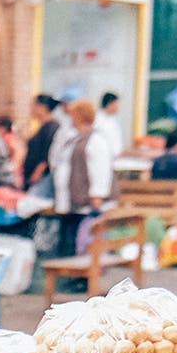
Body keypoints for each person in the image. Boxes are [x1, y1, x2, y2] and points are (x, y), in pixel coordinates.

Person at [49, 97, 115, 256]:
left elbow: (100, 169)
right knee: (68, 240)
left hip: (85, 202)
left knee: (82, 240)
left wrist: (97, 194)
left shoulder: (96, 140)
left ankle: (81, 278)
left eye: (73, 115)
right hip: (70, 201)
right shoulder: (74, 138)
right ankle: (67, 275)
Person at [22, 92, 63, 188]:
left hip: (42, 178)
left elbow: (47, 153)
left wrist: (38, 173)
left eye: (34, 105)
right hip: (31, 175)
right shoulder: (41, 126)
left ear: (43, 107)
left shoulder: (52, 127)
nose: (31, 109)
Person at [96, 90, 130, 160]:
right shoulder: (99, 121)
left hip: (115, 157)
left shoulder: (112, 120)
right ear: (110, 105)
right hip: (106, 158)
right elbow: (112, 148)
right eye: (116, 104)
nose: (118, 107)